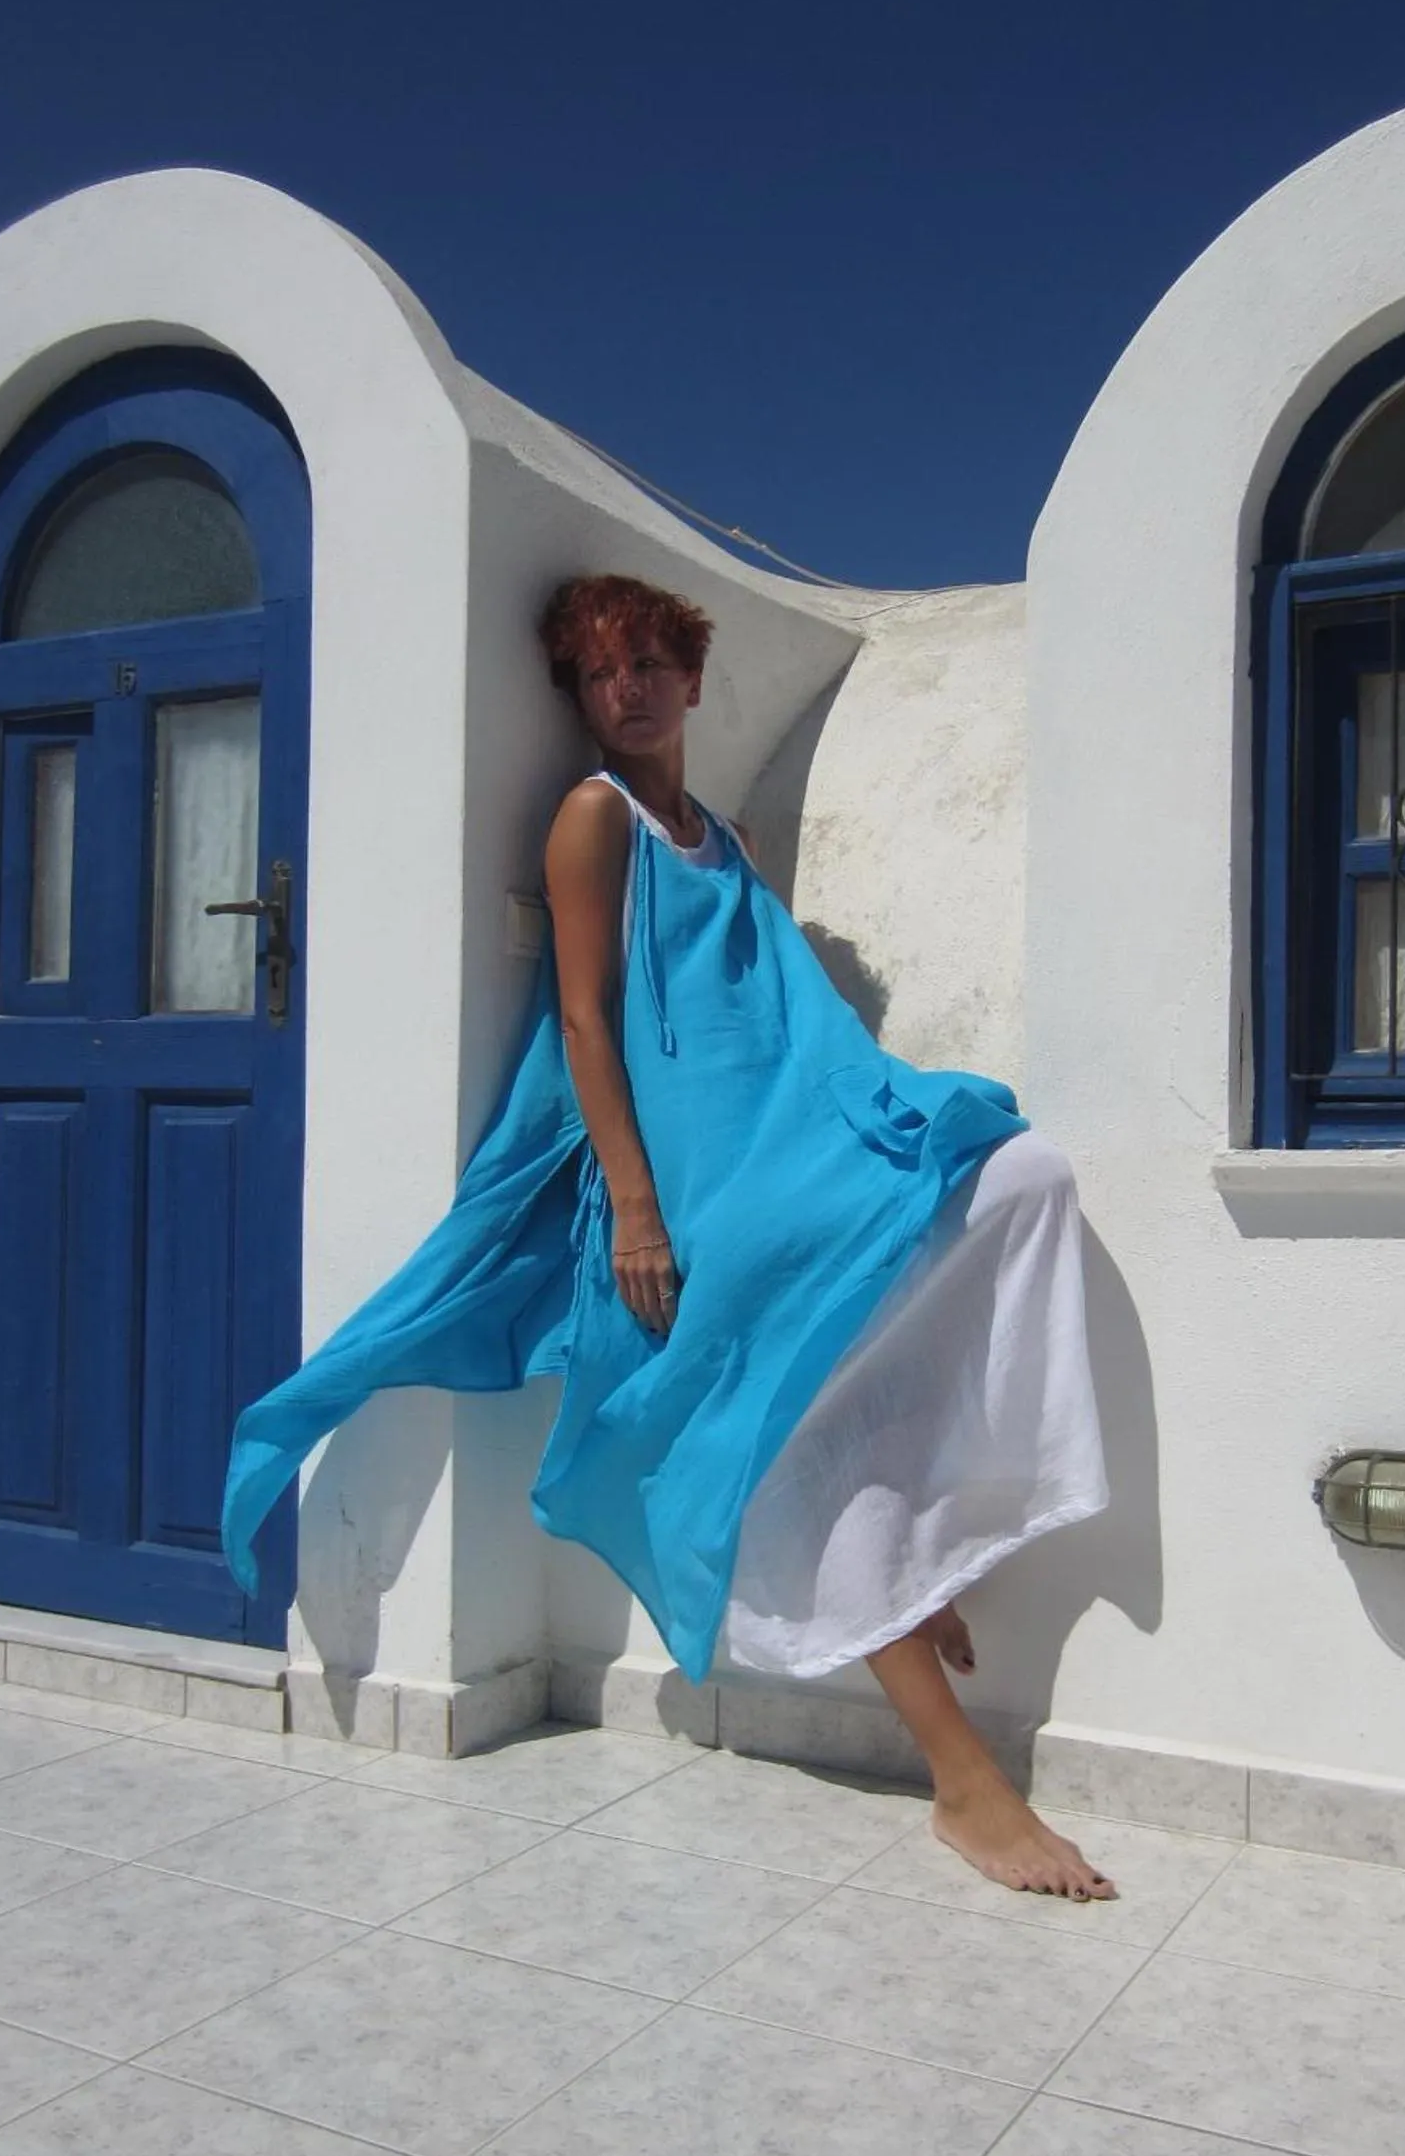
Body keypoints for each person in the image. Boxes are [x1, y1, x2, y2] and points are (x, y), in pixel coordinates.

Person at [221, 570, 1114, 1901]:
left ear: (693, 679)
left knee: (1019, 1178)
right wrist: (635, 1207)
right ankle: (960, 1779)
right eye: (599, 672)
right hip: (694, 1182)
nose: (626, 688)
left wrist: (869, 1106)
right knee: (790, 1396)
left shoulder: (727, 840)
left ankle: (920, 1572)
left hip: (780, 1141)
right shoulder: (596, 821)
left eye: (648, 663)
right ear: (579, 696)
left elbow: (790, 1016)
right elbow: (584, 1022)